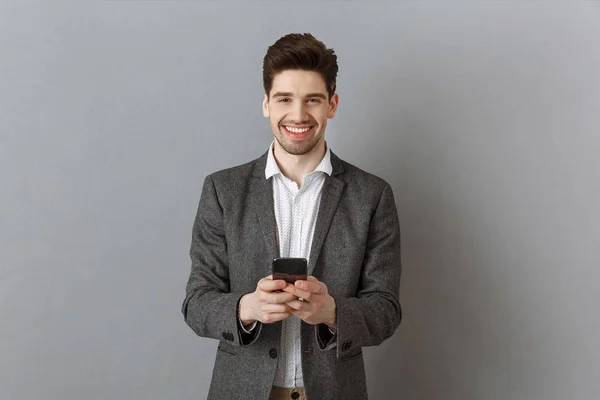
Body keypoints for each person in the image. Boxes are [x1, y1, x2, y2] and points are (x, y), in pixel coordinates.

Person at [181, 33, 402, 400]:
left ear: (332, 105)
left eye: (312, 100)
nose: (298, 115)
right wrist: (246, 308)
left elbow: (386, 310)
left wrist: (332, 312)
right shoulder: (223, 190)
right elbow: (196, 302)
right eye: (285, 99)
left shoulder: (372, 196)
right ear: (266, 103)